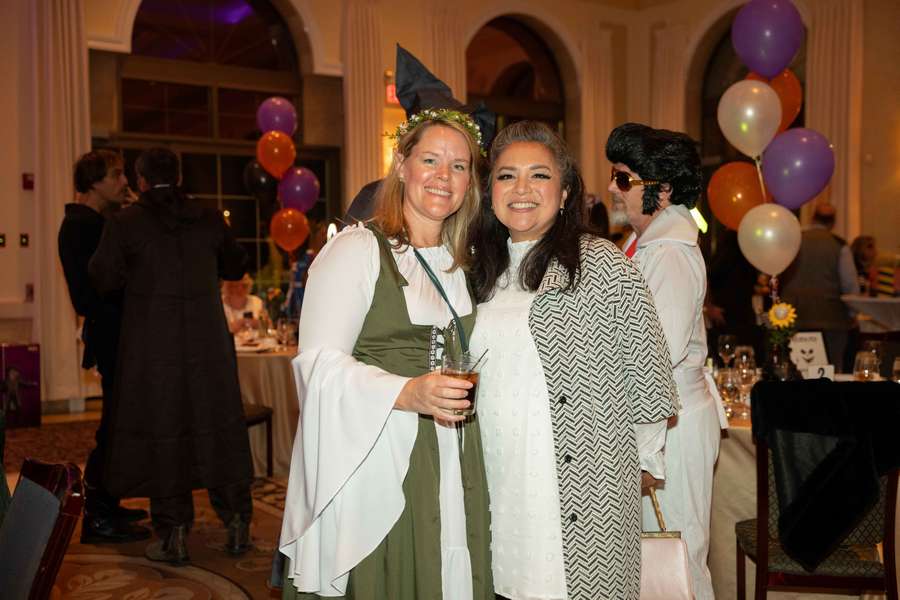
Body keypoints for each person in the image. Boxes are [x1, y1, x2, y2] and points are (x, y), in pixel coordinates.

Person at [279, 109, 493, 599]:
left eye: (459, 166)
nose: (443, 176)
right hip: (380, 455)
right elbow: (317, 365)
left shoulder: (463, 263)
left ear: (470, 183)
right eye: (430, 160)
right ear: (402, 165)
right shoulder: (357, 250)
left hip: (457, 453)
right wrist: (405, 392)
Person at [469, 121, 678, 600]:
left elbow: (648, 376)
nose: (522, 189)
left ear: (564, 192)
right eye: (506, 176)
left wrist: (639, 465)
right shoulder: (476, 268)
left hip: (585, 485)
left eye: (539, 175)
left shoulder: (601, 264)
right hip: (495, 475)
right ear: (489, 191)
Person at [89, 147, 253, 565]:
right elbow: (236, 267)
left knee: (164, 431)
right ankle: (237, 522)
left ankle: (174, 533)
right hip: (207, 346)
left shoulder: (125, 223)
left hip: (154, 348)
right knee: (218, 428)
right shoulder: (209, 219)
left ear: (140, 180)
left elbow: (103, 278)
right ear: (178, 178)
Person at [606, 122, 728, 600]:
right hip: (661, 421)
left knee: (677, 556)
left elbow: (655, 355)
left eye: (623, 179)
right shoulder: (645, 244)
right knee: (654, 558)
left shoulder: (670, 253)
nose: (613, 189)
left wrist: (643, 451)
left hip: (671, 426)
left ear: (663, 189)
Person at [58, 149, 150, 544]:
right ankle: (97, 514)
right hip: (113, 336)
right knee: (113, 428)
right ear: (93, 183)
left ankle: (108, 504)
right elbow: (87, 296)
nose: (124, 181)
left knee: (120, 424)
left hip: (119, 333)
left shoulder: (97, 223)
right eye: (115, 175)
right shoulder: (82, 227)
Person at [780, 203, 859, 370]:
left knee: (796, 367)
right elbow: (850, 284)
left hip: (794, 314)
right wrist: (853, 314)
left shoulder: (794, 240)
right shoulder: (839, 245)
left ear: (813, 217)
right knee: (830, 369)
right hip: (831, 317)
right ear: (833, 222)